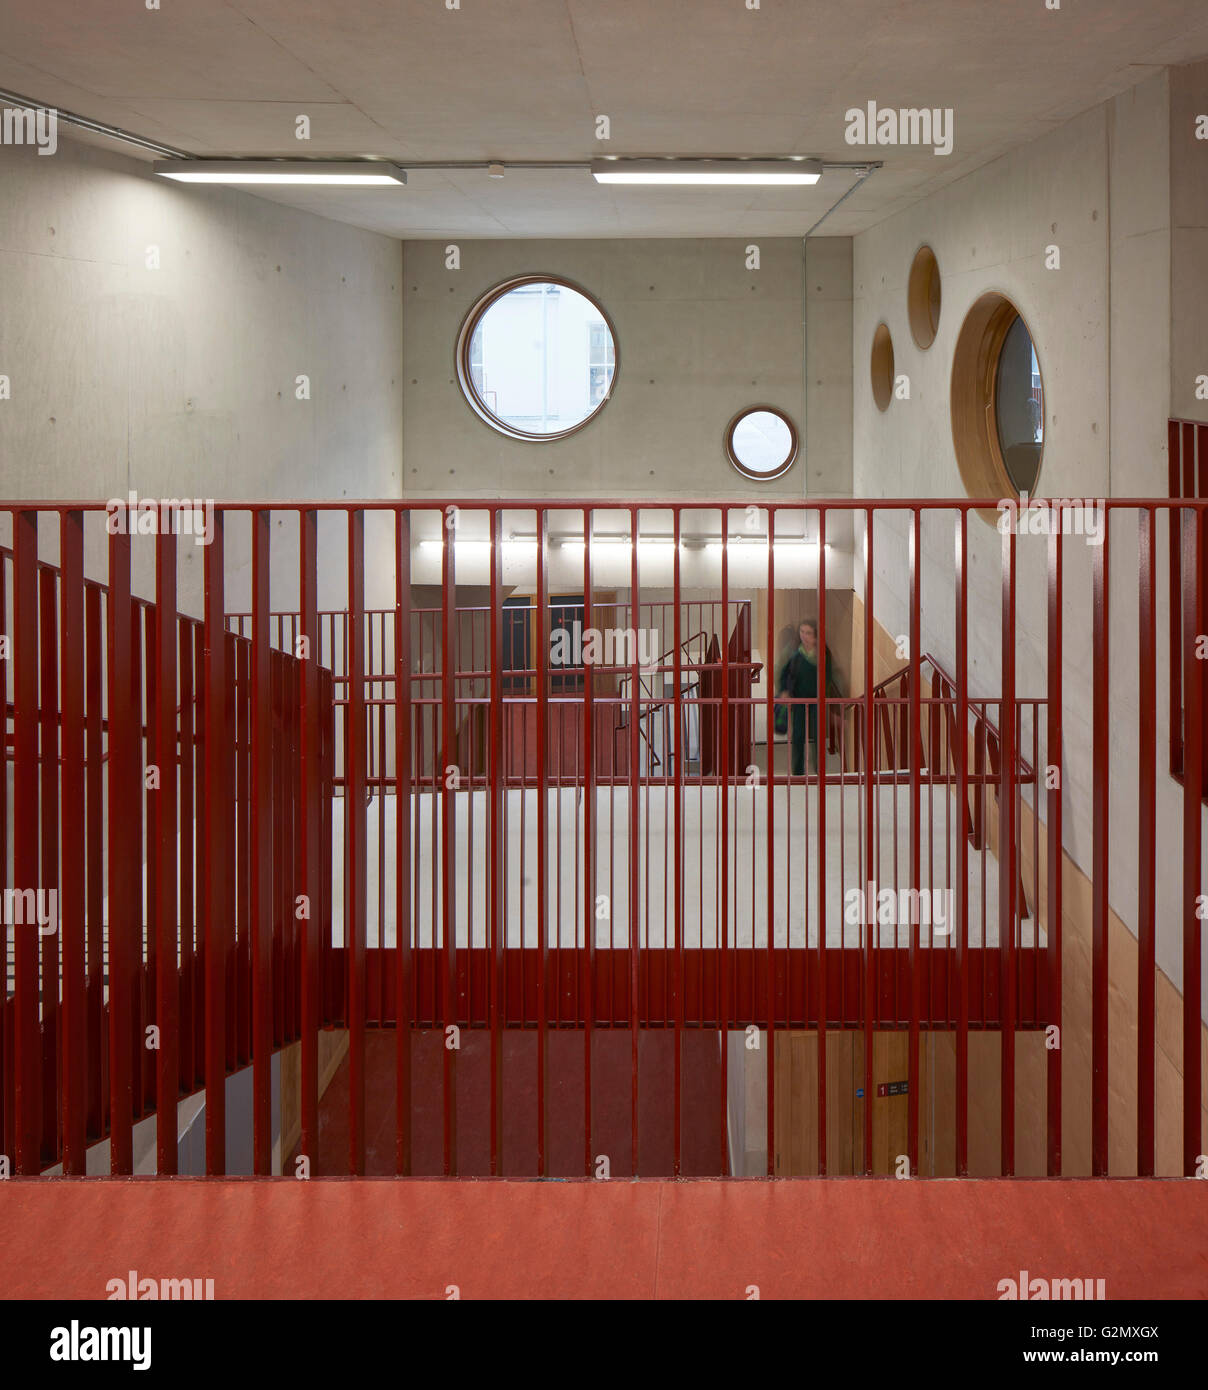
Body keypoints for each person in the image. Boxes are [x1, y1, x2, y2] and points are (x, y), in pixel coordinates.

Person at [777, 618, 839, 776]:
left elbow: (828, 678)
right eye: (802, 632)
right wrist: (784, 690)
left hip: (817, 701)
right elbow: (783, 673)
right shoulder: (794, 652)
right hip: (798, 701)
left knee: (818, 736)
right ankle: (798, 773)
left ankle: (820, 772)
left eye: (808, 633)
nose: (804, 636)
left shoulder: (823, 654)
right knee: (798, 737)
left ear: (816, 636)